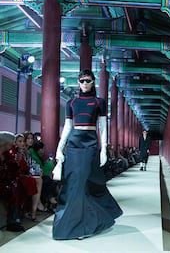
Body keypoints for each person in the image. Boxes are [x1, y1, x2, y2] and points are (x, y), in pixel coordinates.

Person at [53, 69, 123, 240]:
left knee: (86, 182)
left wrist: (104, 149)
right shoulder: (71, 102)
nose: (85, 83)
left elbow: (103, 127)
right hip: (74, 144)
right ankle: (76, 225)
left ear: (93, 82)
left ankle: (86, 223)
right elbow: (68, 127)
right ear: (78, 82)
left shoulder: (99, 102)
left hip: (90, 143)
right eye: (82, 80)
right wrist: (59, 149)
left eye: (88, 80)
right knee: (75, 184)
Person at [0, 131, 36, 231]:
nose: (13, 144)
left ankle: (15, 219)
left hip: (7, 182)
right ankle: (14, 220)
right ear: (5, 143)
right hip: (2, 183)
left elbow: (14, 171)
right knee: (16, 187)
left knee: (17, 186)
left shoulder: (8, 155)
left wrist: (17, 162)